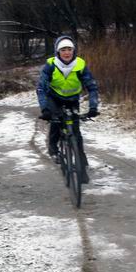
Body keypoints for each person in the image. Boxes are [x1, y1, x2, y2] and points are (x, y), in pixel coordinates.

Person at [36, 35, 99, 183]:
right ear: (58, 52)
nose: (67, 52)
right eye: (63, 49)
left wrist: (93, 107)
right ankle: (53, 148)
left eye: (69, 49)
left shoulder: (80, 65)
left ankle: (82, 167)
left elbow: (92, 87)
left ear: (73, 51)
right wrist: (45, 109)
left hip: (72, 100)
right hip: (54, 98)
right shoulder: (50, 66)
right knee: (56, 121)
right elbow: (41, 88)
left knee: (76, 133)